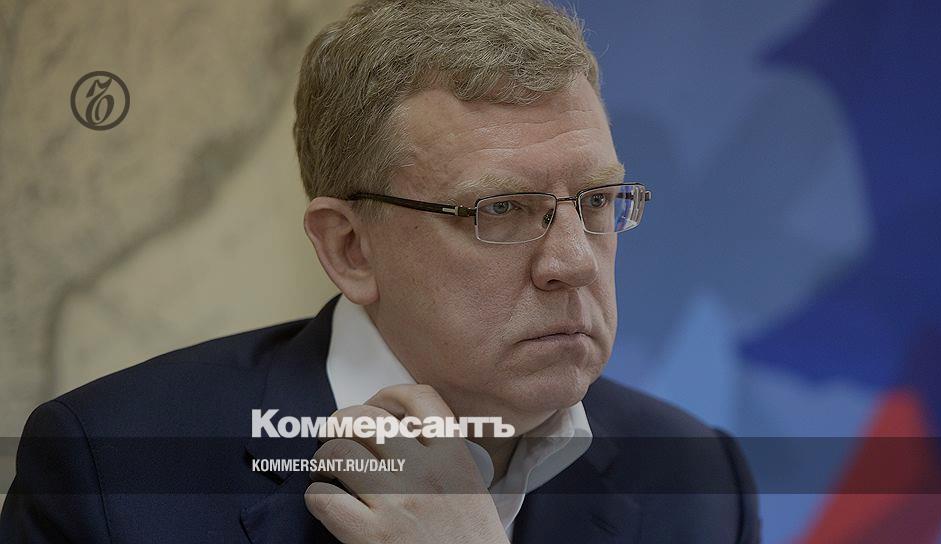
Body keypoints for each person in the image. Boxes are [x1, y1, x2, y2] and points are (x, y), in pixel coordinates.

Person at [0, 0, 760, 542]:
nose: (572, 260)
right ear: (349, 249)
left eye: (596, 201)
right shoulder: (114, 471)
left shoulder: (698, 483)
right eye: (499, 210)